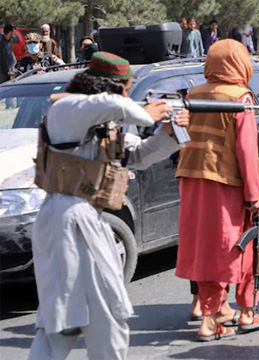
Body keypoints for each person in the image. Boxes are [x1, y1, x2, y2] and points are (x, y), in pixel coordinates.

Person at [28, 51, 189, 360]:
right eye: (126, 88)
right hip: (69, 218)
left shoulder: (102, 121)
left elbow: (139, 156)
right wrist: (150, 111)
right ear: (109, 86)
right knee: (81, 319)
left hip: (84, 219)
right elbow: (112, 103)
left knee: (66, 321)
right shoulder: (67, 108)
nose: (128, 95)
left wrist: (167, 132)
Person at [175, 39, 259, 341]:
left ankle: (217, 310)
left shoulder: (194, 93)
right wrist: (254, 194)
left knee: (204, 247)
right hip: (225, 182)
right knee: (234, 246)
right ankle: (219, 320)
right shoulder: (241, 97)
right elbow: (246, 149)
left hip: (191, 179)